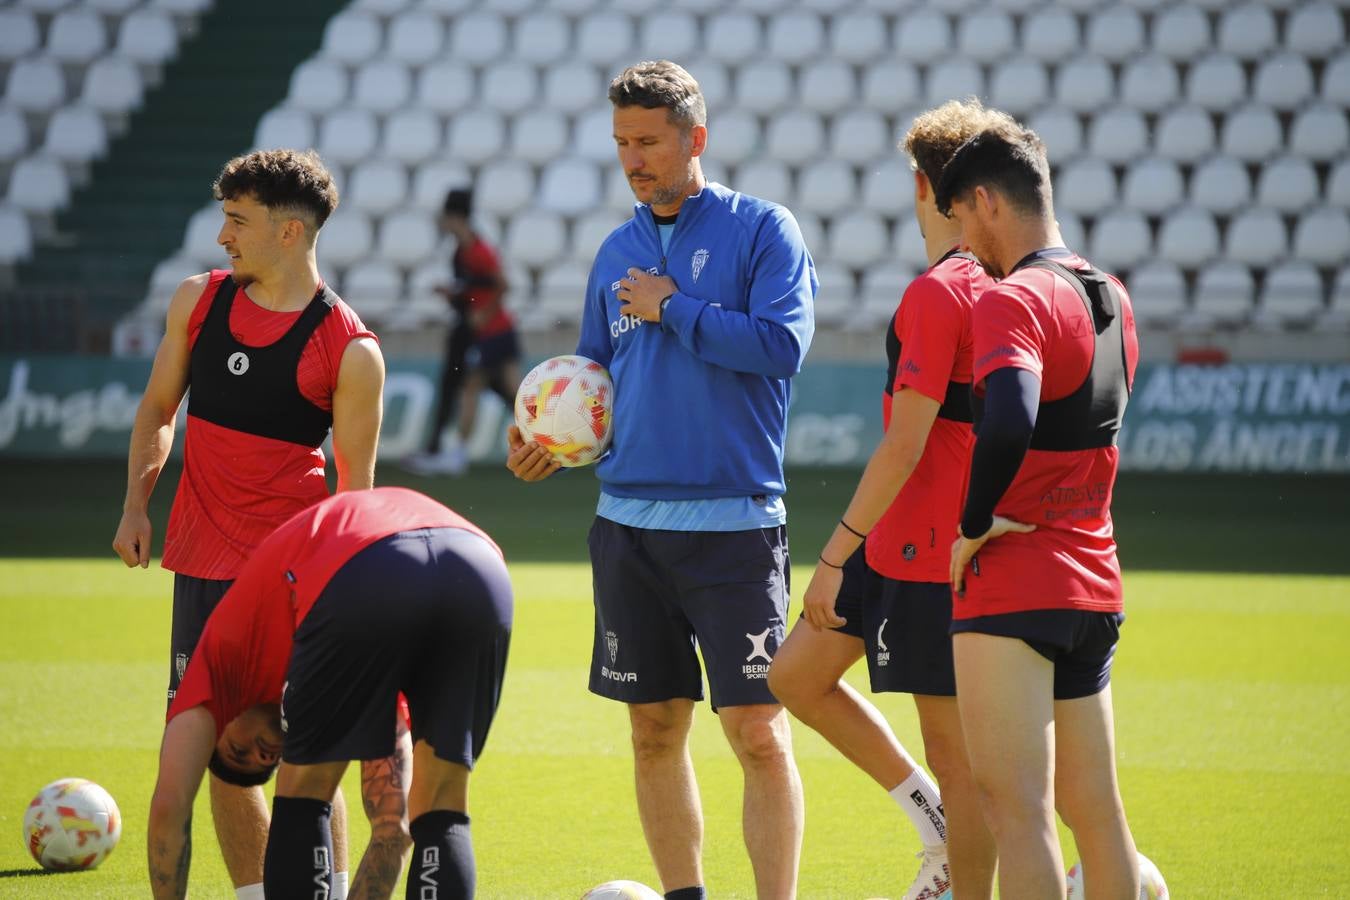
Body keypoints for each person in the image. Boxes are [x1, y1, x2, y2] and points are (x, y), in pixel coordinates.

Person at [507, 60, 816, 899]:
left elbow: (783, 348)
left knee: (757, 731)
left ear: (695, 140)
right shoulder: (616, 247)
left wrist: (674, 307)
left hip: (735, 526)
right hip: (628, 527)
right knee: (653, 730)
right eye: (621, 143)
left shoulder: (764, 230)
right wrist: (548, 437)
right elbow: (593, 376)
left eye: (648, 141)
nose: (633, 159)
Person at [111, 149, 402, 899]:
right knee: (221, 755)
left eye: (237, 222)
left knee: (307, 751)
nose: (222, 238)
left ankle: (326, 892)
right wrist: (137, 504)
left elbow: (355, 493)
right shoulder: (196, 303)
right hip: (203, 572)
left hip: (293, 583)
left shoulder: (349, 348)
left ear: (290, 231)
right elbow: (157, 410)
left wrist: (345, 597)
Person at [768, 99, 1007, 900]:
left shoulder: (941, 294)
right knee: (795, 677)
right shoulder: (1001, 285)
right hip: (904, 536)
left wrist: (833, 555)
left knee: (956, 753)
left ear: (921, 186)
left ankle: (964, 881)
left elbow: (905, 444)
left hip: (925, 549)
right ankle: (934, 824)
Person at [935, 122, 1142, 898]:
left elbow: (1012, 414)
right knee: (1099, 815)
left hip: (1014, 585)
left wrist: (974, 521)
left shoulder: (1012, 297)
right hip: (1094, 575)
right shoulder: (1113, 296)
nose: (964, 243)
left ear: (985, 201)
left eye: (961, 219)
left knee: (1016, 810)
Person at [146, 487, 513, 900]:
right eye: (262, 764)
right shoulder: (335, 663)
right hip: (479, 566)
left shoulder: (213, 671)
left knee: (304, 789)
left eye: (239, 752)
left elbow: (169, 807)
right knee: (442, 804)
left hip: (368, 565)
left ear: (220, 726)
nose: (262, 756)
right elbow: (394, 827)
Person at [406, 187, 521, 476]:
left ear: (454, 217)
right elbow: (481, 288)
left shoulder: (476, 250)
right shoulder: (466, 249)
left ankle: (457, 456)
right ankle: (550, 444)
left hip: (493, 332)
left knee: (473, 388)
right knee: (514, 394)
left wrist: (484, 313)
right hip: (501, 331)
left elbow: (503, 284)